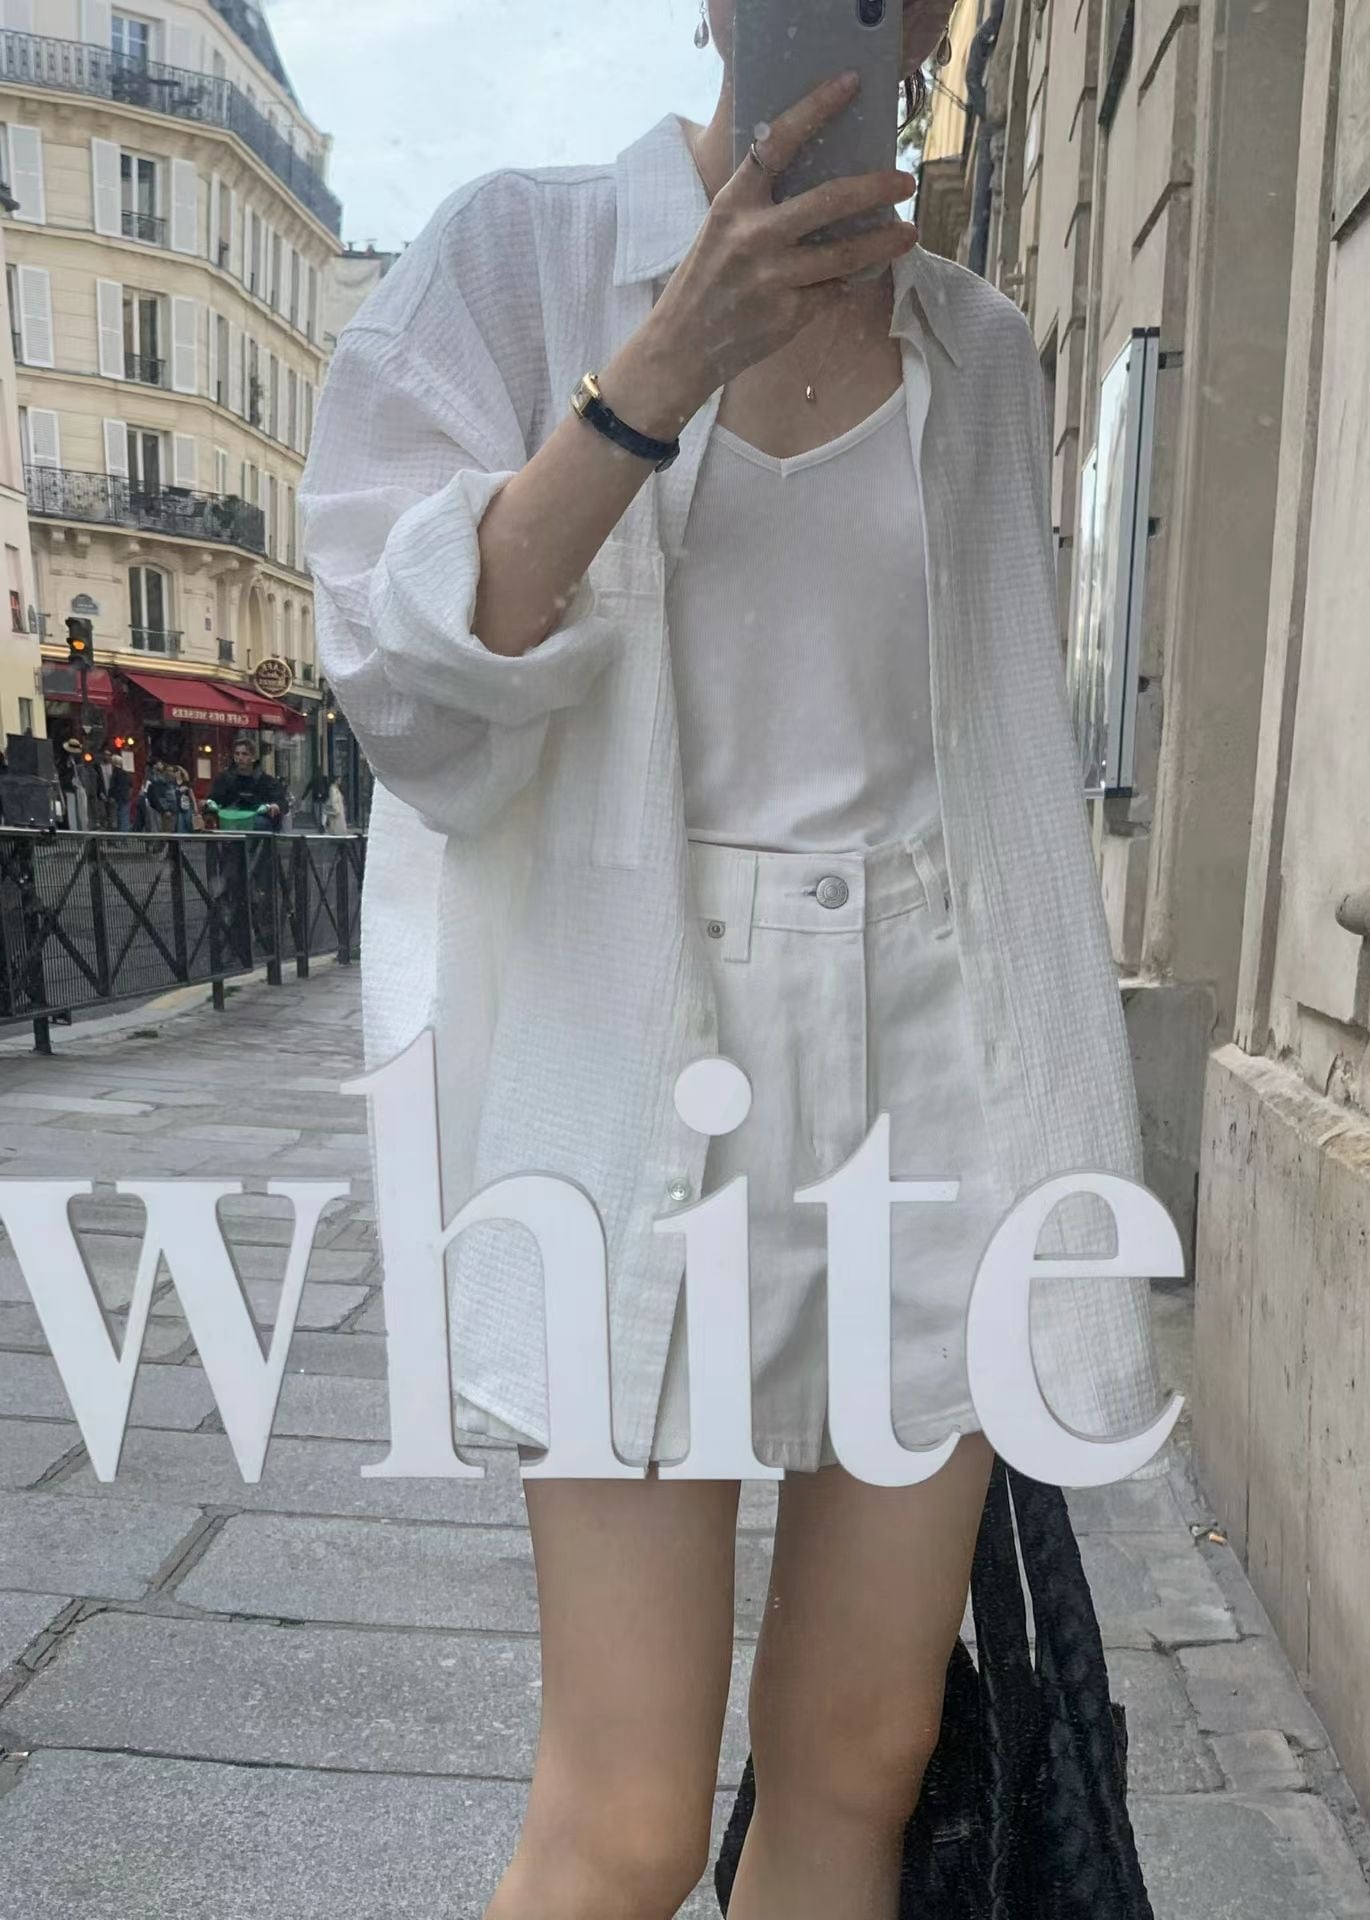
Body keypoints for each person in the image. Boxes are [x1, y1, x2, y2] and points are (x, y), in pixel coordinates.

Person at [299, 11, 1167, 1917]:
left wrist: (1061, 1161)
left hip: (933, 1081)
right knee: (621, 1822)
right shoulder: (517, 259)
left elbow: (1000, 774)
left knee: (863, 1762)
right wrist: (659, 370)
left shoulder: (977, 345)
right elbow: (411, 695)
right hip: (640, 1068)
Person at [202, 736, 287, 826]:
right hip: (228, 822)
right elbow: (213, 799)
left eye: (244, 754)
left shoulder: (267, 781)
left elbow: (281, 801)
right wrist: (207, 805)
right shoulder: (223, 779)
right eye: (237, 754)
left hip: (258, 824)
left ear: (253, 757)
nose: (240, 758)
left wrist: (275, 806)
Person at [94, 748, 132, 833]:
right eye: (105, 754)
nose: (106, 757)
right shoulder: (98, 767)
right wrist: (100, 792)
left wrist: (113, 795)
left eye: (108, 755)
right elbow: (98, 781)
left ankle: (114, 834)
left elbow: (119, 785)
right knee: (103, 815)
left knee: (114, 816)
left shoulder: (116, 770)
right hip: (103, 795)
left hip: (114, 797)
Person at [140, 761, 179, 834]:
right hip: (166, 810)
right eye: (168, 771)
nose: (170, 773)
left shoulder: (174, 783)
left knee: (172, 830)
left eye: (171, 771)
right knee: (164, 829)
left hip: (174, 810)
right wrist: (166, 809)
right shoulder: (161, 782)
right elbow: (162, 797)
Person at [172, 764, 196, 833]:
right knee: (180, 825)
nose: (177, 773)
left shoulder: (186, 783)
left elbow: (192, 796)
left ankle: (190, 836)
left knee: (188, 822)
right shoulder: (173, 783)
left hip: (187, 805)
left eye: (178, 771)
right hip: (178, 806)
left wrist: (195, 806)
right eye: (175, 772)